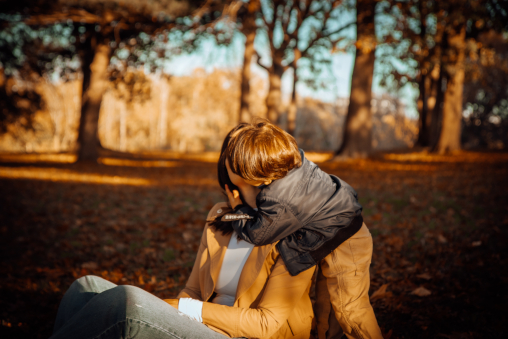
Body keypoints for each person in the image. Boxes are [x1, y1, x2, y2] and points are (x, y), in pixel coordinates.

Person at [49, 134, 316, 339]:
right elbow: (193, 290)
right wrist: (170, 321)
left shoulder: (302, 232)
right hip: (204, 328)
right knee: (86, 287)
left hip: (244, 335)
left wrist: (184, 310)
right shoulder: (221, 218)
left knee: (126, 305)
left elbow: (265, 323)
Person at [219, 119, 383, 339]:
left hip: (346, 243)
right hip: (331, 234)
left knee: (351, 310)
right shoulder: (294, 163)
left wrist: (238, 207)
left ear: (264, 178)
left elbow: (258, 233)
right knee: (327, 307)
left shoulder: (281, 200)